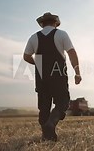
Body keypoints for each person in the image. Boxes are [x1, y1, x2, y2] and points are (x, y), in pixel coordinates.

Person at [23, 12, 82, 141]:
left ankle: (46, 136)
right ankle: (50, 124)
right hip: (58, 75)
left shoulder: (33, 37)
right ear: (55, 23)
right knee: (62, 102)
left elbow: (26, 56)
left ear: (42, 23)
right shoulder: (61, 34)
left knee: (44, 107)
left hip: (41, 77)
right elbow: (72, 53)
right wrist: (77, 72)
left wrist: (37, 63)